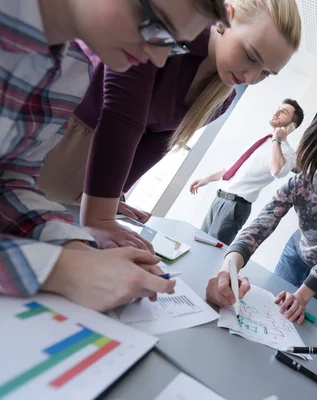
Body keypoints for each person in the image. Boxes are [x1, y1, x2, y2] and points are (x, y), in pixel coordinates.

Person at [0, 0, 228, 310]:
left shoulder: (73, 70)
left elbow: (9, 183)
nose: (159, 57)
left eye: (175, 46)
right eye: (157, 27)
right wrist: (59, 269)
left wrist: (75, 249)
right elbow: (124, 118)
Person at [38, 0, 302, 251]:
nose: (251, 77)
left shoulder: (221, 99)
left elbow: (158, 141)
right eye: (250, 56)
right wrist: (101, 215)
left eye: (265, 73)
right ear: (226, 16)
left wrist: (116, 195)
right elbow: (122, 115)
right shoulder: (170, 27)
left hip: (96, 172)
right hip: (56, 134)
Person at [205, 115, 317, 323]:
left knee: (295, 322)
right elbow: (259, 226)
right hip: (296, 253)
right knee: (270, 313)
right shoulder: (299, 183)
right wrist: (228, 269)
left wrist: (302, 295)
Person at [189, 99, 304, 245]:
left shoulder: (287, 153)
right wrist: (206, 179)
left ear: (292, 126)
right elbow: (233, 167)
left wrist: (277, 139)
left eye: (284, 112)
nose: (277, 112)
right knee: (198, 242)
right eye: (278, 108)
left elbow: (277, 171)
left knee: (210, 248)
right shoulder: (261, 141)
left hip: (235, 205)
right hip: (220, 198)